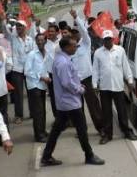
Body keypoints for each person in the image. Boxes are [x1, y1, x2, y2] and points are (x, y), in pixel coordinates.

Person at [41, 37, 105, 166]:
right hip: (69, 102)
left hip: (65, 102)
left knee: (56, 130)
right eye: (74, 46)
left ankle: (46, 156)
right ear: (66, 47)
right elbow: (66, 83)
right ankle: (89, 155)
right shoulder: (63, 62)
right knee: (81, 129)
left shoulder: (62, 59)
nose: (76, 48)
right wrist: (79, 89)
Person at [92, 30, 137, 144]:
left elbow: (126, 67)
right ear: (103, 40)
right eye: (105, 39)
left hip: (118, 86)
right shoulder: (98, 53)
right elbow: (95, 70)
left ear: (113, 39)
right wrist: (94, 85)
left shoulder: (120, 50)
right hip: (104, 87)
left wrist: (130, 80)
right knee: (106, 113)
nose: (108, 41)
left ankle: (127, 132)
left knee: (122, 111)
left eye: (109, 39)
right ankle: (108, 134)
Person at [70, 10, 105, 137]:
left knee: (94, 105)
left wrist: (76, 17)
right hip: (75, 81)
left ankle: (101, 128)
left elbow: (85, 32)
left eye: (76, 33)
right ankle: (81, 130)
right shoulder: (69, 48)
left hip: (87, 79)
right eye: (72, 34)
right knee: (78, 108)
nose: (74, 35)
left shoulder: (85, 43)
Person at [1, 18, 34, 124]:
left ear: (25, 28)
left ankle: (33, 113)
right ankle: (18, 115)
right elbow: (5, 31)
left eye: (21, 26)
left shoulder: (30, 40)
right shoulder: (12, 38)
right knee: (18, 94)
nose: (19, 28)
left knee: (31, 91)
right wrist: (3, 21)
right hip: (17, 70)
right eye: (17, 26)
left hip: (29, 69)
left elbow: (33, 54)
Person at [25, 33, 51, 143]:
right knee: (37, 111)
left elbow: (46, 69)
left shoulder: (47, 53)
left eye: (42, 40)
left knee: (42, 111)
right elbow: (27, 71)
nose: (40, 42)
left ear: (45, 41)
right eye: (38, 40)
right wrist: (41, 78)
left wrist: (47, 78)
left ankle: (42, 131)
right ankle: (39, 135)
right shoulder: (32, 54)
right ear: (36, 42)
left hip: (42, 86)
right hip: (34, 85)